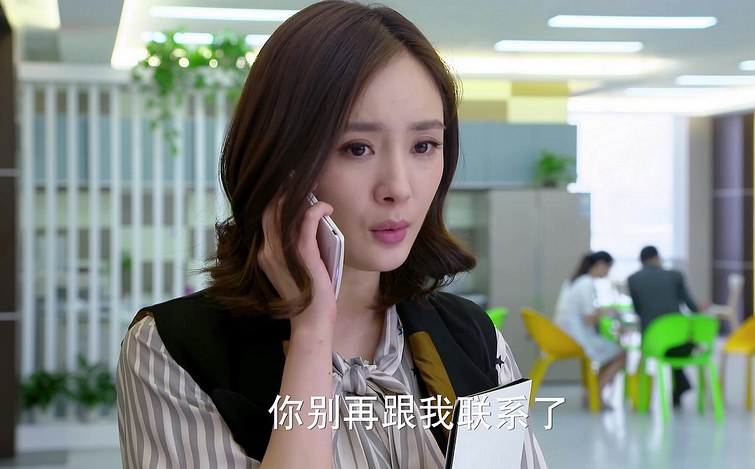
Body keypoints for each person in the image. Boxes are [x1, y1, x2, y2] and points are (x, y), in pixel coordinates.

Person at [115, 2, 547, 468]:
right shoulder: (173, 351)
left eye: (424, 145)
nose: (399, 187)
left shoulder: (474, 338)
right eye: (356, 148)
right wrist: (311, 333)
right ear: (281, 162)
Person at [627, 245, 710, 407]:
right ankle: (680, 387)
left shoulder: (633, 279)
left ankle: (680, 387)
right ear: (658, 258)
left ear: (641, 261)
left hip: (652, 342)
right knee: (674, 348)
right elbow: (692, 307)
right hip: (680, 340)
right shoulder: (675, 275)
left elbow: (638, 310)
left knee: (664, 348)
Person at [554, 251, 626, 409]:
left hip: (563, 334)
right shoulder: (587, 283)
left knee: (611, 352)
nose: (608, 272)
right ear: (601, 265)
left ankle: (592, 391)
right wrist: (608, 312)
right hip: (575, 337)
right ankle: (595, 393)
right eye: (608, 268)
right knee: (621, 354)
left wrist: (602, 311)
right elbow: (590, 318)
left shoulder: (574, 281)